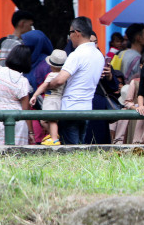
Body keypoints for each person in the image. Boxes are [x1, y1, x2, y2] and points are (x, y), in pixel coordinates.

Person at [42, 17, 104, 145]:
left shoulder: (77, 54)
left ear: (76, 33)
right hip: (87, 108)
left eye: (70, 33)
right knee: (80, 147)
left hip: (70, 108)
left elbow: (60, 80)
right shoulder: (98, 55)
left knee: (69, 149)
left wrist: (46, 86)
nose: (69, 37)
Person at [29, 49, 68, 145]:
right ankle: (53, 135)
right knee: (44, 120)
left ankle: (54, 139)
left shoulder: (52, 75)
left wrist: (35, 95)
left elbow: (43, 86)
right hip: (57, 100)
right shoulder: (64, 76)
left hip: (51, 99)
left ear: (51, 65)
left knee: (51, 119)